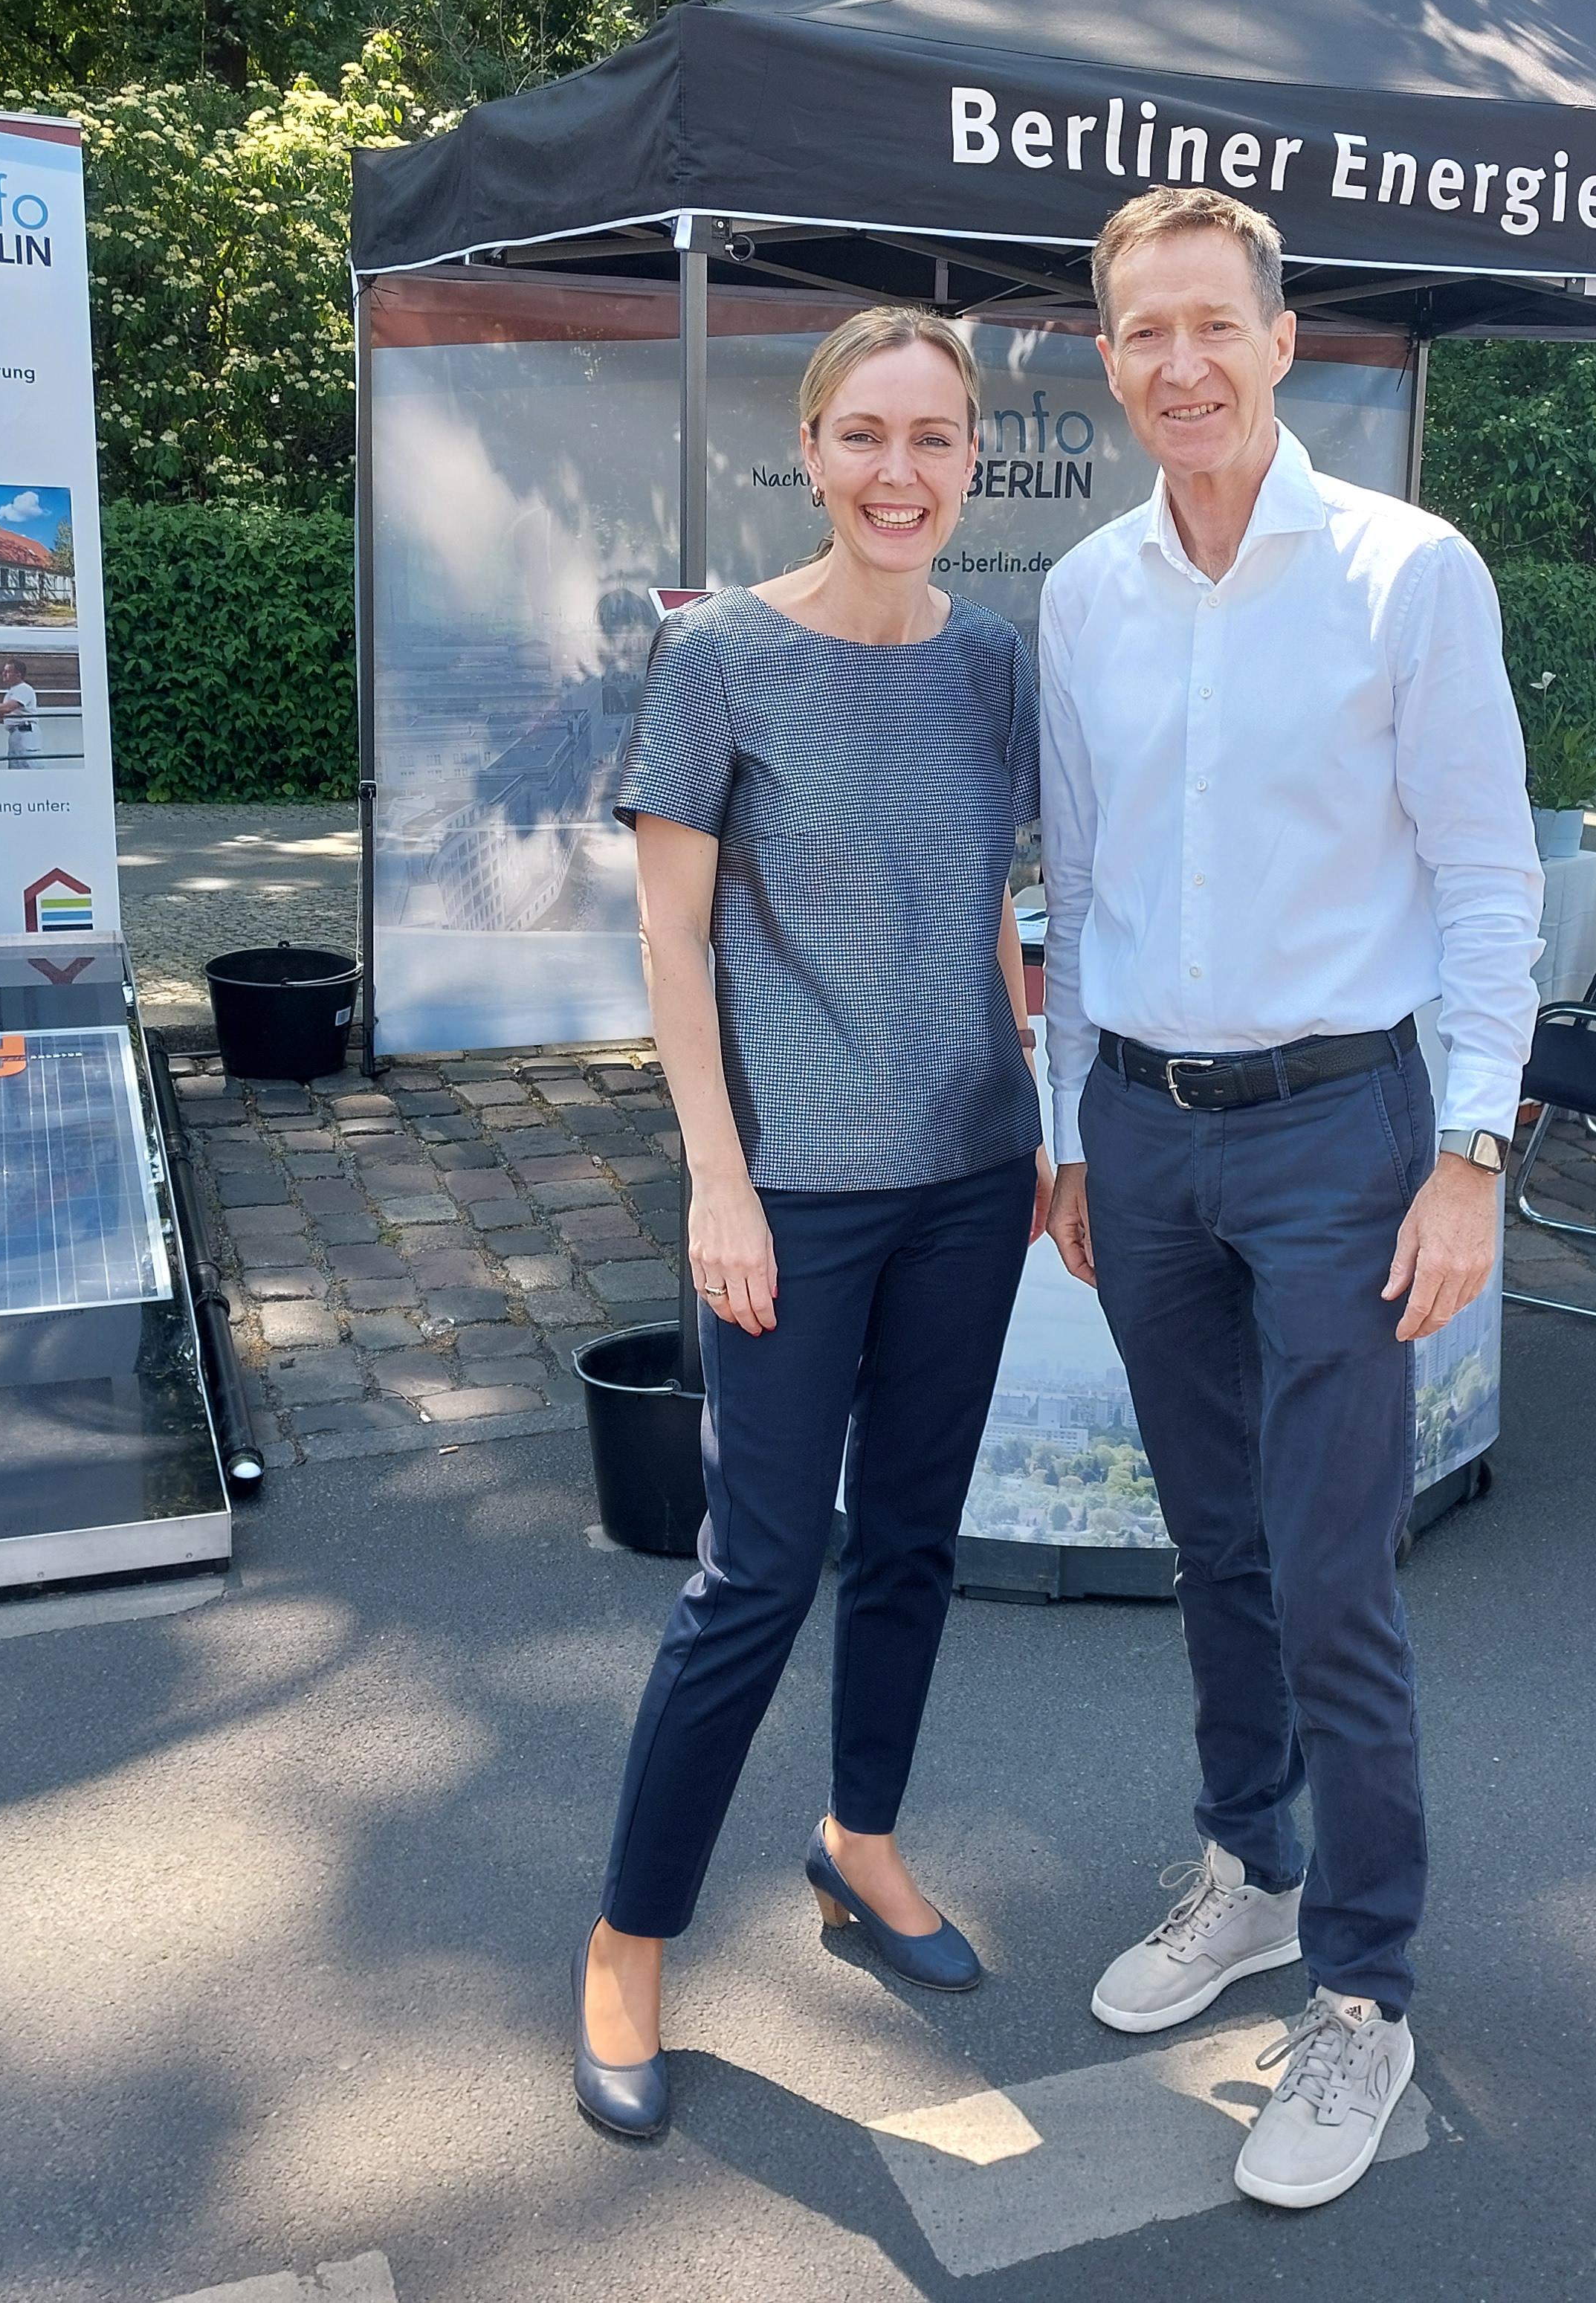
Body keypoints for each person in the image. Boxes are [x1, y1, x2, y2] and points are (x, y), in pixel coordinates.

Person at [1039, 185, 1538, 2213]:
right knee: (1216, 1542)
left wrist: (1476, 1152)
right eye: (1141, 331)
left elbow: (1492, 875)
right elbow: (1074, 884)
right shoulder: (1083, 590)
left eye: (1210, 326)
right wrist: (1072, 1122)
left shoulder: (1407, 573)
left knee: (1336, 1568)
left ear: (1282, 332)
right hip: (1145, 1133)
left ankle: (1365, 1983)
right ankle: (1249, 1869)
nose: (1179, 363)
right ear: (1108, 356)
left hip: (1348, 1131)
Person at [569, 308, 1047, 2142]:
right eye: (864, 435)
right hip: (791, 1196)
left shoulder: (991, 663)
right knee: (751, 1578)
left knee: (915, 1537)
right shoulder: (720, 661)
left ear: (972, 459)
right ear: (811, 446)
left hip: (967, 1175)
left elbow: (993, 908)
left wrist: (1037, 1111)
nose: (898, 472)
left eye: (932, 438)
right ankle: (626, 1943)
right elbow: (668, 947)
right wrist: (715, 1178)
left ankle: (860, 1839)